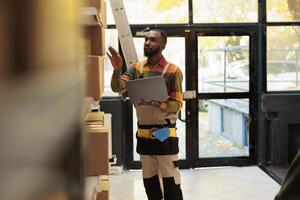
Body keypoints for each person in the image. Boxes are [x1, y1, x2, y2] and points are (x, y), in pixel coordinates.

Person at [107, 29, 184, 200]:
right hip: (143, 136)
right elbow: (117, 87)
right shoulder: (136, 68)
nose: (147, 42)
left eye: (153, 40)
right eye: (146, 39)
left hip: (165, 135)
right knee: (150, 183)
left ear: (163, 45)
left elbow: (177, 104)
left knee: (171, 182)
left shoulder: (173, 71)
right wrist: (117, 70)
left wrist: (158, 103)